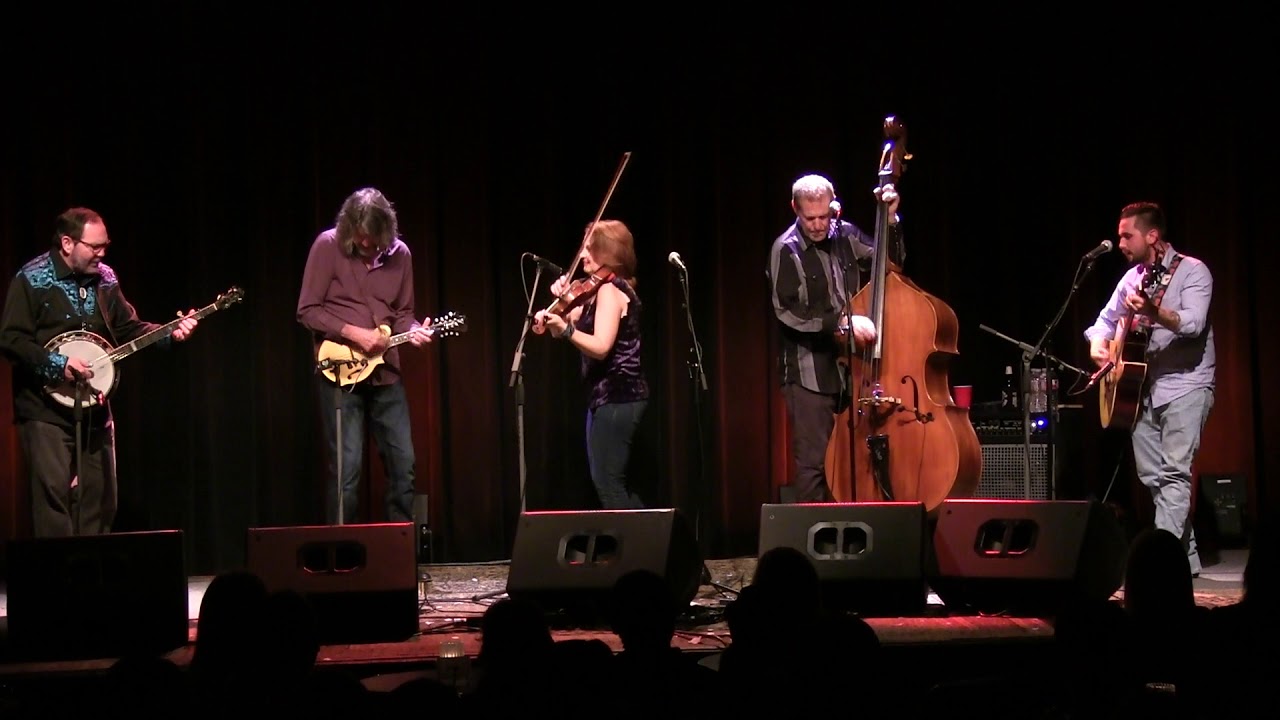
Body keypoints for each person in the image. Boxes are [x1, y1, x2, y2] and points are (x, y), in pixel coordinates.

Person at [0, 207, 199, 537]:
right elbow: (10, 339)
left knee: (101, 498)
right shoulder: (31, 279)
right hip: (43, 409)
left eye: (105, 245)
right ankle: (58, 579)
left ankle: (92, 576)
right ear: (67, 243)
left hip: (94, 406)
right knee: (53, 499)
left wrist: (170, 334)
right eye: (95, 247)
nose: (102, 253)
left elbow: (129, 329)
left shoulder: (105, 278)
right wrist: (58, 364)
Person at [1085, 201, 1215, 576]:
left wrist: (1154, 312)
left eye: (1127, 235)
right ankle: (1185, 562)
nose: (1120, 241)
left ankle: (1161, 570)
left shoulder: (1194, 272)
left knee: (1174, 474)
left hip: (1187, 385)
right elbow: (1103, 323)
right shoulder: (1131, 278)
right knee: (1152, 477)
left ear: (1152, 236)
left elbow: (1193, 324)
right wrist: (1098, 343)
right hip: (1140, 389)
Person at [296, 187, 433, 524]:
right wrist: (354, 333)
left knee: (405, 467)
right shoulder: (327, 246)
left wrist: (413, 329)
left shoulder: (402, 254)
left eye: (374, 239)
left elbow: (403, 314)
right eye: (361, 240)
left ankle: (400, 556)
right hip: (340, 376)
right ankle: (341, 560)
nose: (368, 246)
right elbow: (307, 311)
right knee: (347, 472)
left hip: (385, 375)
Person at [766, 174, 902, 503]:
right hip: (809, 373)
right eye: (809, 218)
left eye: (824, 216)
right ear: (795, 210)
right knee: (814, 465)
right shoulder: (786, 249)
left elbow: (891, 264)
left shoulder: (846, 235)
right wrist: (842, 322)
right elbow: (788, 312)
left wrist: (891, 219)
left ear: (834, 207)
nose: (817, 225)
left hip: (853, 369)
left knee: (859, 457)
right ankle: (812, 549)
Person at [532, 219, 648, 509]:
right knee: (608, 483)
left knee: (609, 485)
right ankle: (651, 542)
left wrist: (566, 329)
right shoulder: (595, 291)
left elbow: (600, 346)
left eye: (588, 249)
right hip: (603, 397)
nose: (581, 255)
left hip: (620, 396)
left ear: (606, 252)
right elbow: (573, 324)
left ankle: (648, 548)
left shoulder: (610, 291)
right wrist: (558, 311)